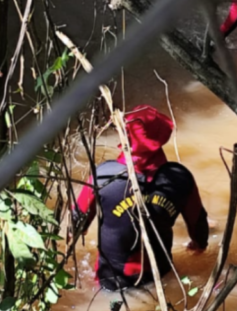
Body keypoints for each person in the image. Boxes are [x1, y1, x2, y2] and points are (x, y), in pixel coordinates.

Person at [71, 105, 209, 291]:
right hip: (160, 276)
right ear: (163, 137)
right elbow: (199, 231)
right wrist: (197, 245)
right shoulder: (180, 178)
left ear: (124, 136)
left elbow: (76, 225)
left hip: (110, 282)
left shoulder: (104, 176)